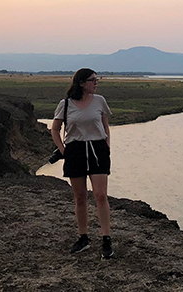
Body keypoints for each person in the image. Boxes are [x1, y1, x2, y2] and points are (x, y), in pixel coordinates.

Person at [51, 68, 114, 259]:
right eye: (92, 80)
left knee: (100, 195)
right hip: (75, 151)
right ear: (81, 83)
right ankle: (83, 237)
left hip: (97, 150)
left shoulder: (99, 100)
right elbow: (55, 129)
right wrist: (64, 151)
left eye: (97, 79)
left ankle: (106, 239)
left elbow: (105, 126)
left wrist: (107, 146)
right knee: (80, 197)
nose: (96, 83)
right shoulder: (66, 104)